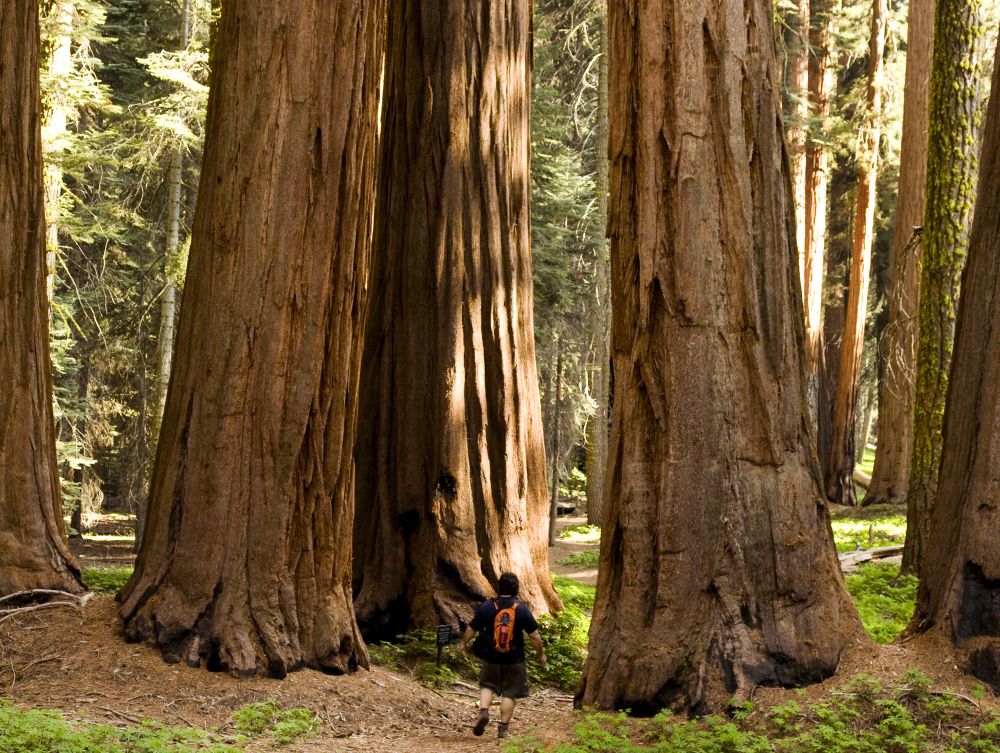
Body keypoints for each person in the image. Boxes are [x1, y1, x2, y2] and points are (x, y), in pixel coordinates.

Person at [459, 572, 547, 740]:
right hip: (515, 658)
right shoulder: (521, 609)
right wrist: (541, 655)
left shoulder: (487, 606)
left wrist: (463, 643)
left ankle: (484, 712)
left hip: (491, 656)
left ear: (500, 587)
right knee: (510, 693)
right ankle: (503, 729)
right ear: (516, 588)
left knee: (487, 685)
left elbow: (471, 628)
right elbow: (534, 636)